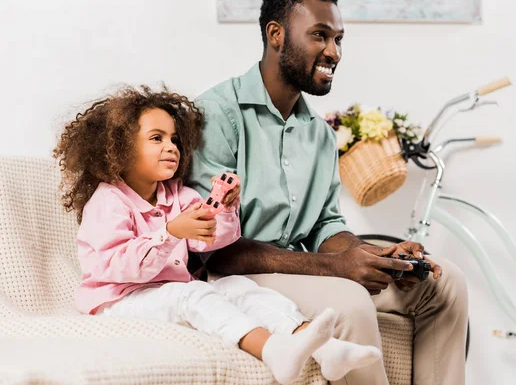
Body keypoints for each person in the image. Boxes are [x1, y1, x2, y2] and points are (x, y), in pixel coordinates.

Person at [189, 0, 469, 384]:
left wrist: (377, 255)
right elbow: (213, 249)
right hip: (236, 278)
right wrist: (334, 268)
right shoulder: (217, 114)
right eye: (319, 35)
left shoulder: (319, 134)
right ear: (276, 34)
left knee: (446, 285)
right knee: (349, 302)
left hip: (300, 270)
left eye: (338, 39)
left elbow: (325, 226)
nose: (334, 52)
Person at [53, 85, 382, 384]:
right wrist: (169, 233)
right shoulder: (108, 201)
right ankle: (273, 351)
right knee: (194, 296)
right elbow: (121, 266)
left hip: (166, 290)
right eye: (157, 138)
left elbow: (207, 239)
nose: (171, 147)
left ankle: (326, 349)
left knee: (238, 287)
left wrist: (224, 207)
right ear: (120, 148)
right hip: (119, 300)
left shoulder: (175, 194)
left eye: (174, 140)